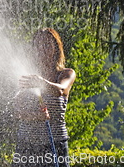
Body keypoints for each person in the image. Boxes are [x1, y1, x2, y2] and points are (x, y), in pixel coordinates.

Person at [12, 28, 76, 167]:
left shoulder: (66, 74)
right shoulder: (27, 76)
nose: (42, 49)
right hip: (27, 146)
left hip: (55, 144)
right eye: (38, 45)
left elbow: (60, 90)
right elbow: (17, 112)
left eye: (47, 44)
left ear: (56, 47)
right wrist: (36, 116)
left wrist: (41, 82)